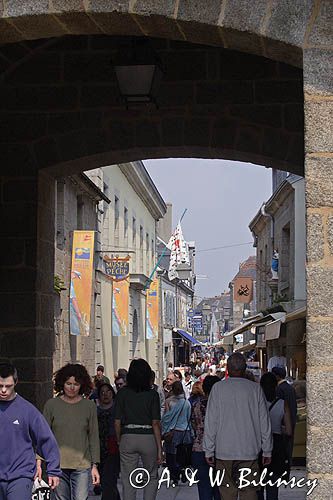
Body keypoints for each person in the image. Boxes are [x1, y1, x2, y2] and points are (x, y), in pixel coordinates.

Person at [203, 353, 272, 500]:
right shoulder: (255, 389)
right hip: (249, 451)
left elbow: (211, 421)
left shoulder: (218, 389)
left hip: (224, 451)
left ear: (227, 368)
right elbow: (264, 422)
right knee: (249, 493)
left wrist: (208, 450)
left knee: (227, 493)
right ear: (245, 368)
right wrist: (267, 450)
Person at [0, 363, 60, 500]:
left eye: (8, 386)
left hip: (20, 475)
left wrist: (53, 470)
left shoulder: (27, 410)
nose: (3, 390)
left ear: (16, 382)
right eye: (0, 386)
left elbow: (46, 438)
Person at [43, 363, 100, 500]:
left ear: (82, 385)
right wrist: (39, 461)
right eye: (68, 383)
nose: (72, 387)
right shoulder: (51, 405)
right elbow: (43, 435)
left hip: (82, 465)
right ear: (62, 383)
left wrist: (95, 465)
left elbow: (93, 436)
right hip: (57, 465)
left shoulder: (89, 406)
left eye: (76, 384)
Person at [114, 359, 162, 500]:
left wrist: (119, 440)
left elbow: (117, 422)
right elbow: (155, 423)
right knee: (151, 476)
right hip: (148, 437)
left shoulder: (122, 393)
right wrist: (160, 448)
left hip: (128, 436)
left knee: (128, 480)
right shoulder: (152, 394)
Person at [257, 373, 292, 500]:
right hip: (276, 445)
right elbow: (289, 431)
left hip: (259, 444)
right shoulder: (283, 403)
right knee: (272, 486)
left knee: (258, 486)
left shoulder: (256, 403)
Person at [191, 376, 221, 500]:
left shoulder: (196, 405)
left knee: (204, 489)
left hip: (199, 448)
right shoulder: (221, 406)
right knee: (219, 488)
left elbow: (194, 424)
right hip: (219, 448)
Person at [161, 380, 192, 485]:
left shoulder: (169, 401)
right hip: (185, 432)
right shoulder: (187, 403)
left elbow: (166, 418)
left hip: (173, 432)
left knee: (171, 456)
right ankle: (183, 470)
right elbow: (189, 419)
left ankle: (174, 476)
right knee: (183, 455)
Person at [96, 383, 120, 500]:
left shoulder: (118, 409)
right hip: (99, 448)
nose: (105, 395)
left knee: (109, 480)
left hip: (113, 448)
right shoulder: (94, 410)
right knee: (107, 482)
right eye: (102, 392)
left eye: (108, 391)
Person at [272, 366, 298, 470]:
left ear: (277, 376)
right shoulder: (290, 388)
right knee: (289, 445)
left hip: (283, 423)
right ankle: (289, 464)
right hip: (292, 420)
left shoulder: (279, 389)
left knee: (282, 447)